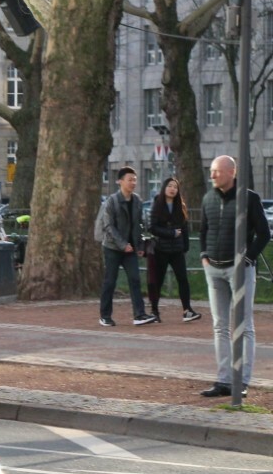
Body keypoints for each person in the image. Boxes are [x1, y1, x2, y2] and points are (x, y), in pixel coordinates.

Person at [197, 154, 271, 397]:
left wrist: (247, 259)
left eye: (217, 171)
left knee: (244, 325)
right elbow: (203, 230)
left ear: (231, 172)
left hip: (239, 271)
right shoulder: (208, 198)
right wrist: (204, 256)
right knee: (220, 326)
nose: (212, 175)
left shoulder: (248, 198)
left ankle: (242, 380)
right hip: (214, 270)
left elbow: (264, 234)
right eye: (211, 171)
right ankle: (223, 380)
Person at [95, 166, 154, 328]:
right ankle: (105, 316)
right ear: (120, 181)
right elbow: (108, 226)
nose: (133, 183)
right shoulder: (111, 202)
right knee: (110, 282)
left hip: (131, 249)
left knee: (135, 279)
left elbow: (139, 225)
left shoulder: (137, 201)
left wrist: (140, 245)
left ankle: (139, 314)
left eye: (135, 180)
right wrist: (123, 244)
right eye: (130, 180)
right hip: (113, 248)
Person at [146, 177, 200, 323]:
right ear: (164, 188)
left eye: (175, 187)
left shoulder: (180, 206)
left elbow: (184, 227)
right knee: (158, 280)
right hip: (161, 249)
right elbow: (152, 227)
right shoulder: (157, 205)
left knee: (183, 279)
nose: (172, 189)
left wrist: (185, 245)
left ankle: (187, 310)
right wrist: (170, 233)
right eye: (169, 186)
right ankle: (154, 311)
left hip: (177, 250)